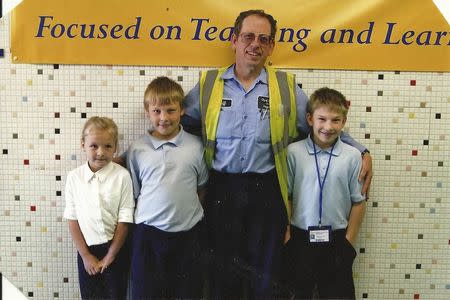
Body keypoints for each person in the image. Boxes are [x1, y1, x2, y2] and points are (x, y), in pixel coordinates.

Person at [181, 9, 373, 298]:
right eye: (248, 36)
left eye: (263, 39)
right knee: (223, 272)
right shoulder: (209, 85)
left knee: (266, 274)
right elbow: (178, 123)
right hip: (221, 190)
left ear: (271, 46)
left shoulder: (285, 87)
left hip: (266, 191)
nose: (255, 44)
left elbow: (319, 122)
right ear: (234, 40)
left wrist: (361, 150)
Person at [127, 76, 209, 299]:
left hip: (188, 236)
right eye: (157, 111)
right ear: (147, 112)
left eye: (170, 110)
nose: (164, 118)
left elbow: (201, 189)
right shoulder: (137, 149)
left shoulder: (196, 146)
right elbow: (135, 193)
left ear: (182, 110)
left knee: (187, 293)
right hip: (148, 237)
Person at [286, 87, 366, 299]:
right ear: (310, 119)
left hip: (337, 241)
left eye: (335, 120)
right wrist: (287, 237)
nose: (328, 127)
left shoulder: (352, 156)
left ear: (343, 122)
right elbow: (286, 198)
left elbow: (358, 202)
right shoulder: (293, 152)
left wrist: (348, 242)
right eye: (322, 119)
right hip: (300, 238)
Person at [64, 116, 135, 300]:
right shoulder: (74, 178)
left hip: (116, 249)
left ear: (116, 147)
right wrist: (86, 255)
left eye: (108, 146)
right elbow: (72, 219)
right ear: (83, 144)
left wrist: (111, 255)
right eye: (94, 146)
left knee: (116, 296)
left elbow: (125, 219)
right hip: (86, 251)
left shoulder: (122, 176)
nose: (101, 152)